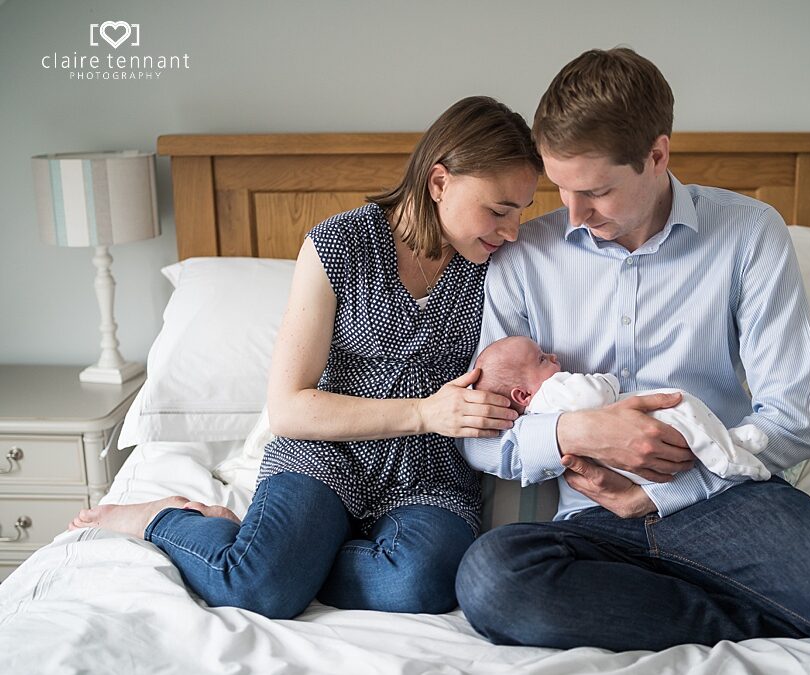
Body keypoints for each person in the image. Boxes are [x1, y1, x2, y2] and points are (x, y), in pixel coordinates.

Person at [455, 49, 810, 675]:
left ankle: (784, 599)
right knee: (491, 579)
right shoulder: (523, 258)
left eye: (596, 192)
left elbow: (794, 417)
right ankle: (759, 613)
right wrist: (575, 430)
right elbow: (481, 439)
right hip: (593, 521)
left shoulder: (749, 234)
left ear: (658, 156)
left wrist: (677, 486)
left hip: (727, 501)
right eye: (561, 189)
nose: (576, 214)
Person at [69, 96, 541, 619]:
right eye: (498, 211)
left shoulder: (501, 268)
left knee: (419, 584)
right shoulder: (337, 246)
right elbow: (289, 407)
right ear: (439, 182)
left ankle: (280, 553)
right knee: (256, 588)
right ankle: (162, 519)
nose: (512, 231)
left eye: (522, 211)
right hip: (325, 453)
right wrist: (424, 412)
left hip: (429, 474)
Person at [474, 335, 771, 482]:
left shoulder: (539, 410)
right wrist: (608, 380)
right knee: (682, 408)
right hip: (640, 431)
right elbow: (592, 397)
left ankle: (727, 441)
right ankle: (723, 457)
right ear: (523, 395)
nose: (551, 356)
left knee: (686, 416)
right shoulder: (551, 393)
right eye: (541, 359)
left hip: (628, 471)